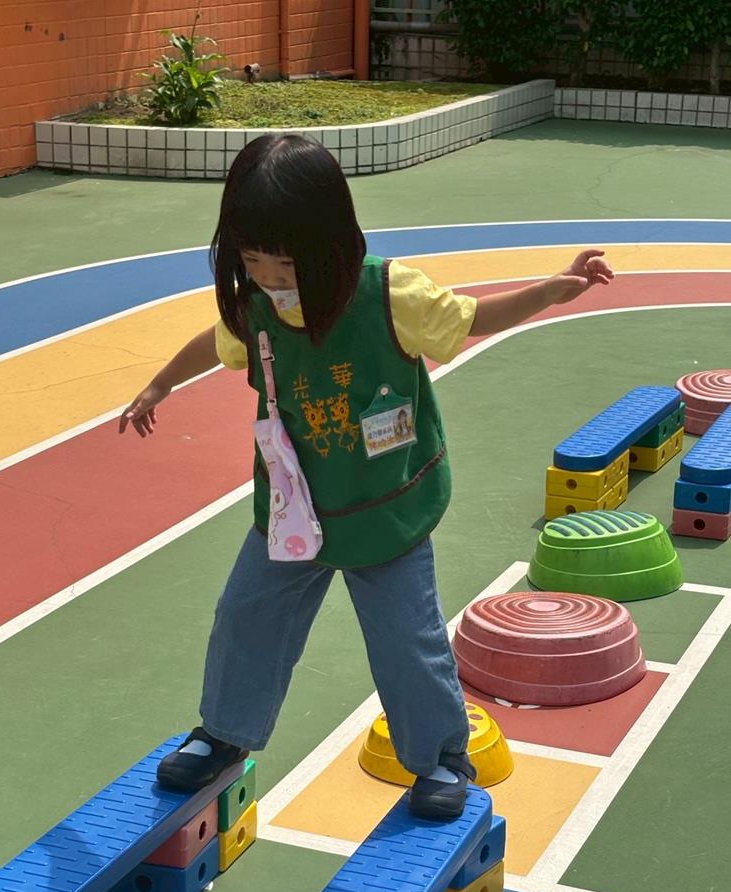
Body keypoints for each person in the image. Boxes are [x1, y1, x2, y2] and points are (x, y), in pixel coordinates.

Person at [119, 133, 614, 820]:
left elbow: (469, 318)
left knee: (406, 640)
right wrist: (160, 383)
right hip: (296, 510)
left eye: (285, 261)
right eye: (250, 259)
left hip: (384, 507)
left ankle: (440, 759)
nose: (269, 276)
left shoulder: (387, 293)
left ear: (329, 245)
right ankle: (224, 733)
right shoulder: (257, 306)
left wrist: (549, 291)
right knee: (245, 615)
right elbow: (220, 339)